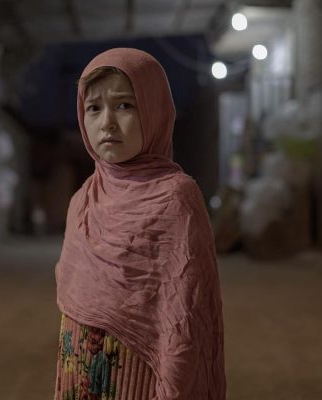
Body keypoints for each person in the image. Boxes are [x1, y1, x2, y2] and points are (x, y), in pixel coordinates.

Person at [55, 48, 226, 400]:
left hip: (141, 377)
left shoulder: (176, 198)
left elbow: (186, 315)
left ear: (155, 110)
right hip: (81, 372)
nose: (107, 123)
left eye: (124, 106)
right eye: (94, 108)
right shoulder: (83, 200)